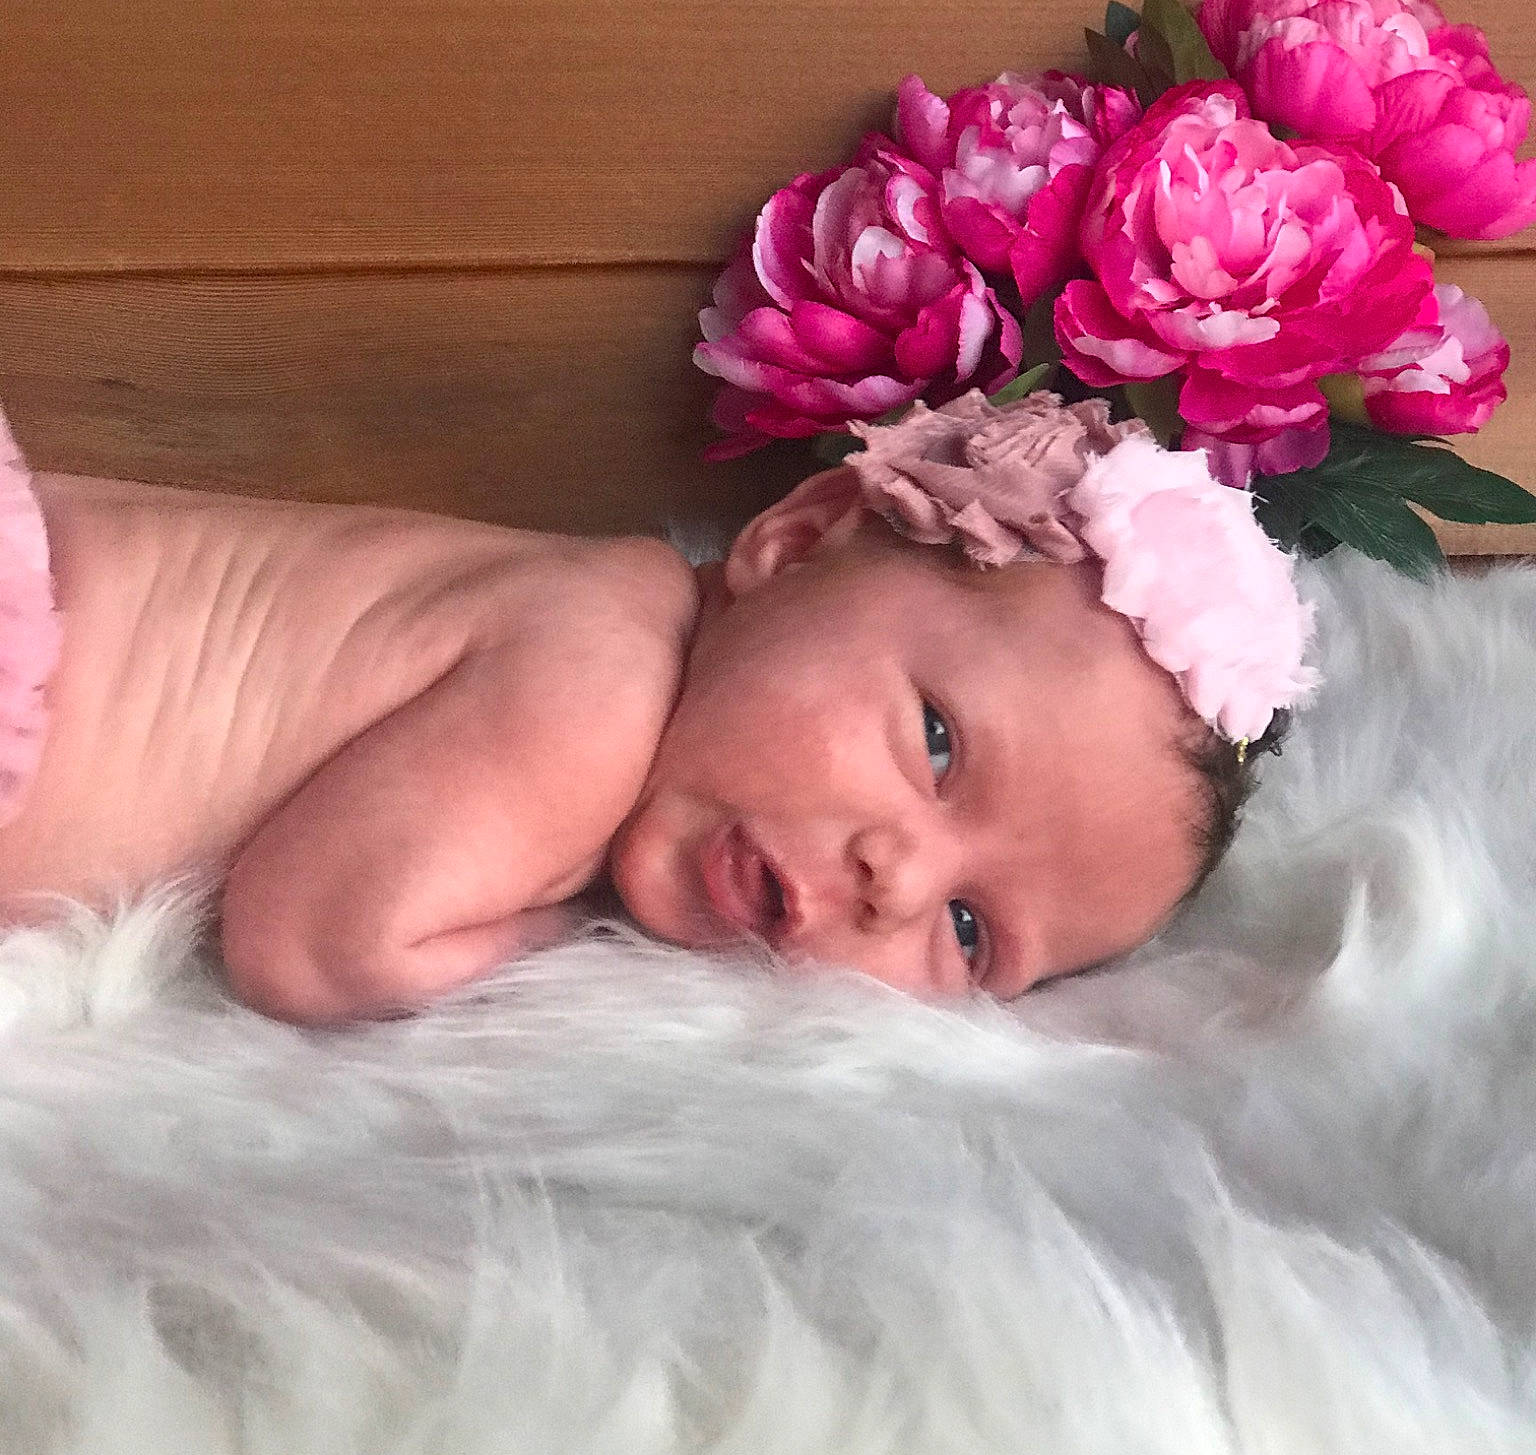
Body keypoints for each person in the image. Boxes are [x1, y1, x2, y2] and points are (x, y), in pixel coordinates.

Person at [0, 389, 1315, 1023]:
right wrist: (566, 939)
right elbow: (315, 943)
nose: (896, 879)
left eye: (972, 935)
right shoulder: (599, 696)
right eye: (934, 745)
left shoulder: (600, 604)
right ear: (793, 544)